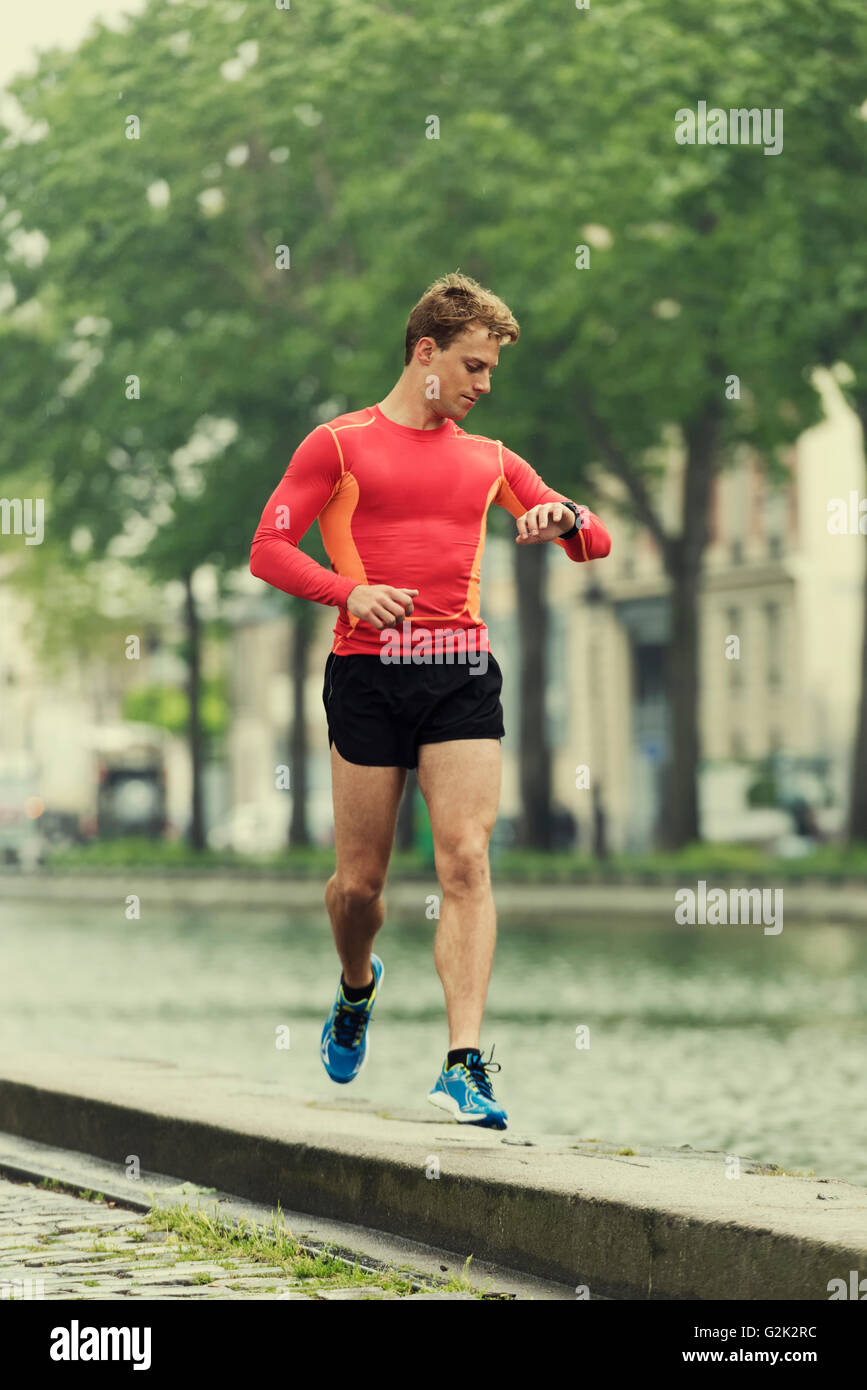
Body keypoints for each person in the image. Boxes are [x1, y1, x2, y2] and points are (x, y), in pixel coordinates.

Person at [250, 271, 611, 1129]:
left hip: (459, 675)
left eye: (491, 371)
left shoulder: (490, 460)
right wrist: (347, 594)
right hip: (368, 676)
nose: (486, 386)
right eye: (475, 367)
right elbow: (267, 551)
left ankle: (462, 1064)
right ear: (426, 354)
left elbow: (590, 537)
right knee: (360, 888)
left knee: (466, 861)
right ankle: (356, 985)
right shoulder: (336, 445)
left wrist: (562, 519)